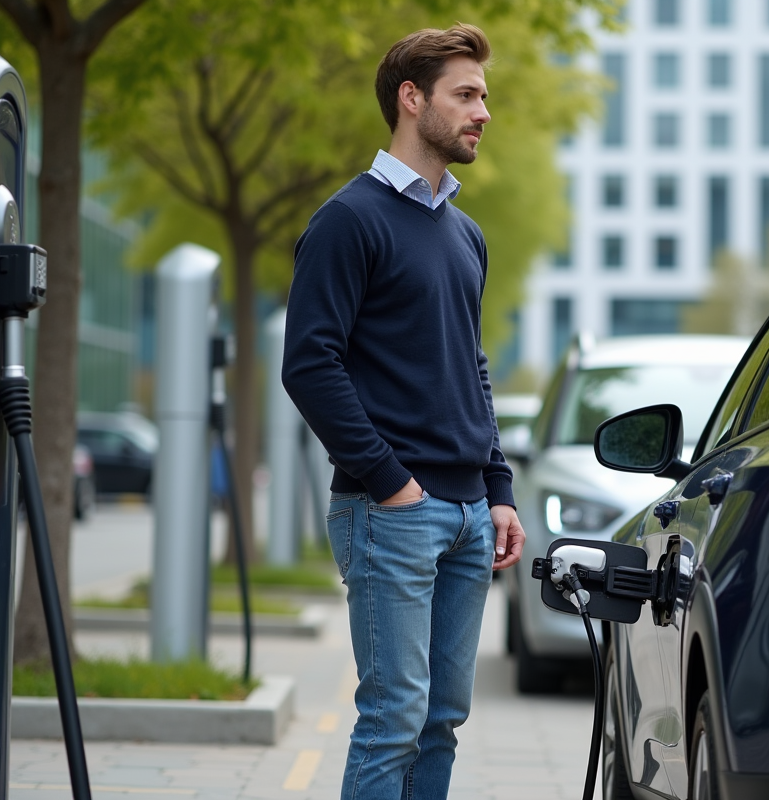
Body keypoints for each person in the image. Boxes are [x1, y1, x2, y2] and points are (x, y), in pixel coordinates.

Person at [281, 23, 525, 800]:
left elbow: (469, 367)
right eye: (467, 95)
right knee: (393, 720)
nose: (483, 112)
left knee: (441, 720)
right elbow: (308, 365)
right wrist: (391, 483)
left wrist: (498, 488)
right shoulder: (348, 220)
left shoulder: (466, 234)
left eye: (483, 96)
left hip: (467, 513)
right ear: (412, 99)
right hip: (393, 510)